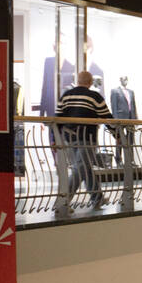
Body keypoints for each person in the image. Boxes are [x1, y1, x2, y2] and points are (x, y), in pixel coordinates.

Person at [56, 69, 114, 207]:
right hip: (87, 137)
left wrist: (55, 138)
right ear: (90, 82)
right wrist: (116, 134)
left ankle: (97, 197)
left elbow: (57, 117)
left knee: (84, 167)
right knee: (79, 168)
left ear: (77, 82)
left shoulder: (66, 95)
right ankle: (62, 201)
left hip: (68, 137)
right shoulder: (94, 96)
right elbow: (106, 117)